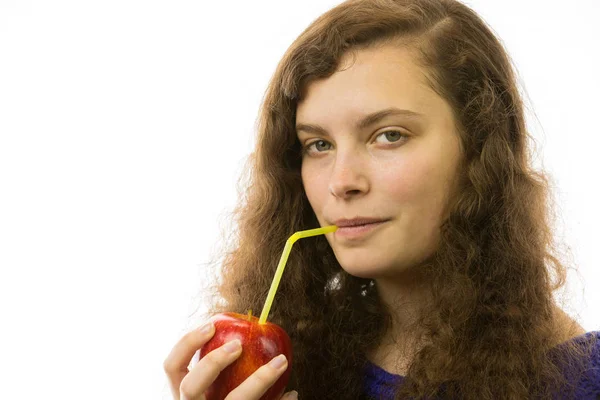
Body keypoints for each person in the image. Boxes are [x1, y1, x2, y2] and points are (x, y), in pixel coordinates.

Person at [163, 0, 600, 398]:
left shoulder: (583, 384)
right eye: (318, 144)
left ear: (481, 149)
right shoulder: (288, 365)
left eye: (388, 136)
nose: (342, 182)